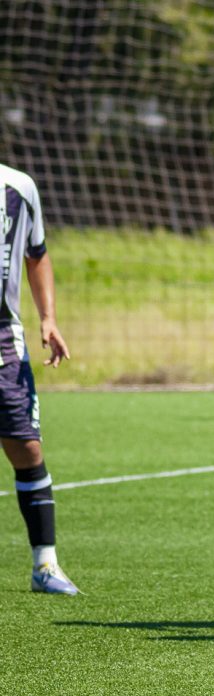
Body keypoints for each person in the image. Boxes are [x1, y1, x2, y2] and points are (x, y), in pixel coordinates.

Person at [0, 163, 78, 595]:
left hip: (3, 342)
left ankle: (45, 565)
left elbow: (37, 253)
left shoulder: (19, 187)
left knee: (27, 448)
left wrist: (48, 318)